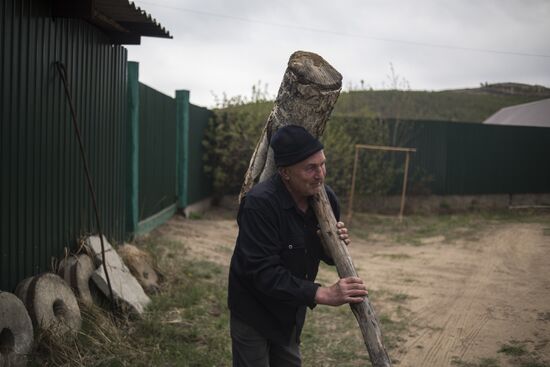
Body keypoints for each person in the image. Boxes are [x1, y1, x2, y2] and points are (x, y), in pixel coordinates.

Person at [228, 125, 368, 367]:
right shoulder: (260, 205)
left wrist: (332, 246)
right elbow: (262, 272)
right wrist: (321, 293)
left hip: (290, 311)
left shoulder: (326, 199)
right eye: (310, 168)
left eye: (323, 164)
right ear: (285, 173)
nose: (320, 174)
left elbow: (325, 257)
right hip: (253, 309)